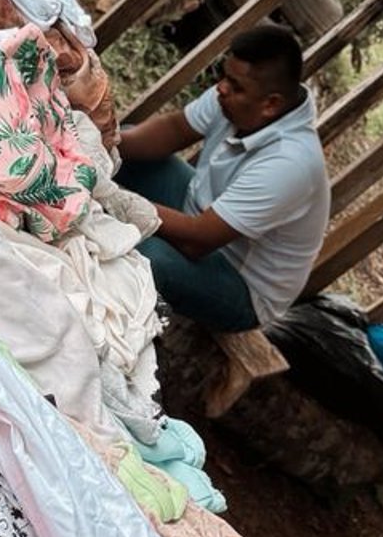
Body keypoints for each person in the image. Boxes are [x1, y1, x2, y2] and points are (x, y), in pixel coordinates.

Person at [114, 23, 330, 333]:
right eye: (224, 76)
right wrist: (100, 142)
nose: (221, 89)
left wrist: (113, 198)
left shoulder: (291, 164)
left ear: (271, 104)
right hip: (200, 212)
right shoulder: (240, 96)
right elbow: (174, 130)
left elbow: (196, 242)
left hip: (240, 283)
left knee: (148, 258)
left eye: (235, 85)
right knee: (122, 151)